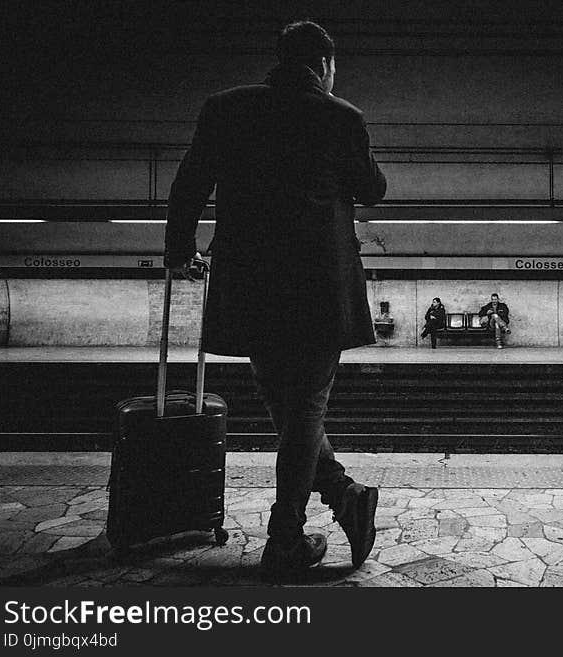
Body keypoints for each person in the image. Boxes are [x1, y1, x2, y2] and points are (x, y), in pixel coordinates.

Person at [164, 20, 387, 577]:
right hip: (319, 289)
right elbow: (373, 189)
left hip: (253, 287)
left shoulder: (227, 109)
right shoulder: (341, 117)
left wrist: (177, 250)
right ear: (325, 66)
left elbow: (190, 181)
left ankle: (342, 499)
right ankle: (288, 536)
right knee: (304, 408)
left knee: (286, 406)